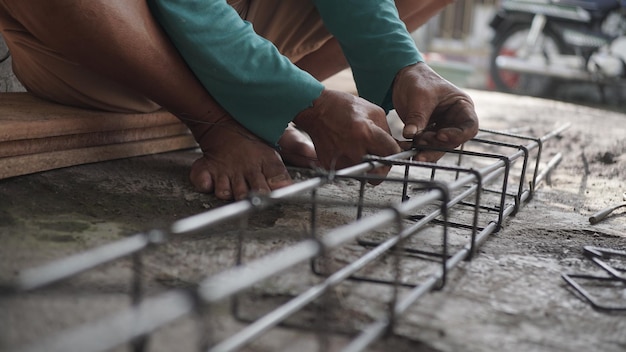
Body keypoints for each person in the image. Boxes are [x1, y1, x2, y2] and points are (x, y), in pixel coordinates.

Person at [0, 0, 478, 201]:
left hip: (255, 28)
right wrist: (306, 103)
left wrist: (399, 63)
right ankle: (221, 118)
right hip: (111, 50)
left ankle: (264, 103)